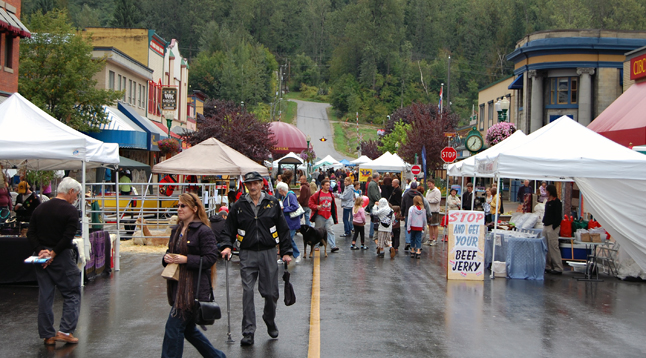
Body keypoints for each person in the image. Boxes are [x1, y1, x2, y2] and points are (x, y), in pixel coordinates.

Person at [219, 171, 293, 346]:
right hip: (247, 253)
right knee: (247, 292)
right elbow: (228, 229)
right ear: (246, 185)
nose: (252, 187)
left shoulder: (272, 203)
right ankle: (248, 331)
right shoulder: (239, 205)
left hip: (268, 252)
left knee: (271, 293)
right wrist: (226, 246)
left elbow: (283, 229)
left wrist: (286, 251)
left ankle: (269, 318)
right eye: (249, 184)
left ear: (261, 184)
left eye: (255, 183)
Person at [161, 193, 226, 358]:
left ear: (194, 209)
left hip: (192, 290)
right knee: (189, 331)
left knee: (173, 328)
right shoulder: (177, 229)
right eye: (178, 206)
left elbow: (211, 257)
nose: (179, 209)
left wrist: (186, 259)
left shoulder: (204, 231)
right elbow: (171, 251)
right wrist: (166, 258)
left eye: (183, 206)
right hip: (178, 287)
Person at [27, 177, 82, 346]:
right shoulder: (71, 211)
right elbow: (67, 237)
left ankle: (48, 335)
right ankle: (65, 331)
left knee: (45, 295)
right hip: (61, 256)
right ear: (71, 191)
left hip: (41, 256)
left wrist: (41, 251)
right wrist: (53, 253)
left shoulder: (40, 208)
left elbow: (31, 233)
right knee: (72, 292)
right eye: (77, 195)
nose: (76, 199)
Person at [308, 179, 339, 252]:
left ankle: (333, 246)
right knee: (318, 231)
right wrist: (316, 207)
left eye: (329, 185)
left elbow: (333, 206)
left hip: (328, 215)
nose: (328, 186)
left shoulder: (331, 194)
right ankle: (316, 245)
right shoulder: (317, 194)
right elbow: (310, 203)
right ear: (322, 186)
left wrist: (334, 215)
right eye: (326, 185)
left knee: (330, 230)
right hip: (320, 215)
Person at [276, 182, 302, 264]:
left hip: (292, 222)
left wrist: (284, 208)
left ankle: (297, 254)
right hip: (289, 221)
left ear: (281, 190)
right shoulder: (286, 196)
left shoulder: (290, 196)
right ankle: (285, 256)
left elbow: (295, 206)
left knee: (289, 239)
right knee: (287, 239)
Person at [542, 184, 563, 275]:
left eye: (547, 191)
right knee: (546, 247)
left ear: (550, 192)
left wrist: (554, 226)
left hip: (552, 226)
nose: (546, 192)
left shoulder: (556, 202)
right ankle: (548, 265)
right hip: (546, 225)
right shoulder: (548, 201)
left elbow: (558, 216)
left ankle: (558, 267)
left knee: (553, 246)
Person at [401, 182, 422, 252]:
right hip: (418, 215)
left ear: (410, 187)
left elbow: (403, 204)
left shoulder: (406, 195)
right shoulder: (419, 195)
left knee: (408, 227)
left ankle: (408, 241)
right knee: (417, 229)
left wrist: (402, 214)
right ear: (416, 187)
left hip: (408, 213)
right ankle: (416, 244)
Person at [425, 181, 441, 246]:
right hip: (429, 210)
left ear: (433, 184)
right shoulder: (428, 191)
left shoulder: (437, 191)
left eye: (430, 184)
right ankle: (430, 238)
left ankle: (435, 240)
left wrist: (428, 200)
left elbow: (437, 200)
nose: (429, 185)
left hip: (434, 210)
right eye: (428, 184)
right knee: (430, 225)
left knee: (435, 225)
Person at [367, 172, 381, 239]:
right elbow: (374, 194)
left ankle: (372, 233)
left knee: (374, 219)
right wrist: (379, 200)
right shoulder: (373, 184)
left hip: (373, 203)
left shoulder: (373, 184)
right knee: (374, 219)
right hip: (373, 204)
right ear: (377, 177)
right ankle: (372, 234)